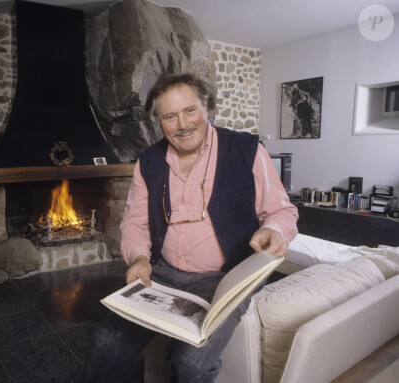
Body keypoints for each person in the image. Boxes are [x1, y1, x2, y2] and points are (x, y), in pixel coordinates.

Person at [83, 73, 298, 382]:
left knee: (191, 364)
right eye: (170, 116)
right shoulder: (148, 162)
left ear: (205, 106)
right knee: (107, 343)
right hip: (161, 273)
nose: (182, 124)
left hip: (222, 279)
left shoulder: (246, 150)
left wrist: (275, 230)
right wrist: (140, 258)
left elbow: (281, 210)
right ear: (158, 121)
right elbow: (135, 222)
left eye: (189, 111)